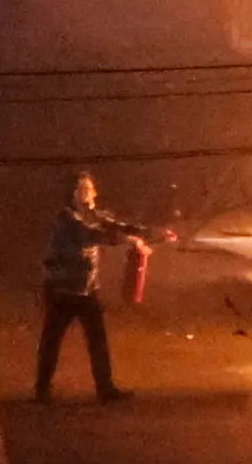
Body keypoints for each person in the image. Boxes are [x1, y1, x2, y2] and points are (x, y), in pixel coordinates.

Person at [35, 172, 172, 403]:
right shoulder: (66, 220)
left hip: (87, 289)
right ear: (74, 195)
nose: (92, 193)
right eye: (85, 189)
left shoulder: (93, 216)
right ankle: (42, 390)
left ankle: (105, 389)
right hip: (63, 290)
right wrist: (130, 241)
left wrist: (152, 232)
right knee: (52, 341)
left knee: (97, 341)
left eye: (91, 188)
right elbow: (92, 236)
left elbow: (120, 227)